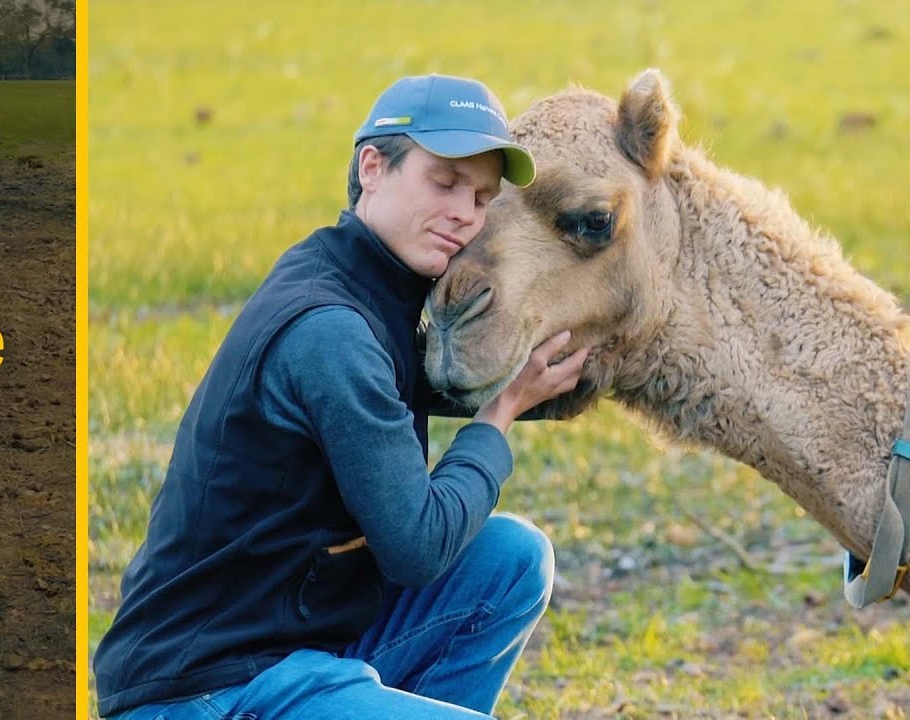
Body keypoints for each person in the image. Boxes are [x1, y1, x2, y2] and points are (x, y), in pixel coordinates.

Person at [94, 74, 591, 720]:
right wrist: (497, 420)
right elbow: (417, 547)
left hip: (298, 645)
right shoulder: (333, 332)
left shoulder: (359, 280)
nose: (464, 215)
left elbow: (447, 379)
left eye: (480, 198)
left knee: (510, 560)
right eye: (444, 183)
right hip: (206, 689)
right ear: (372, 168)